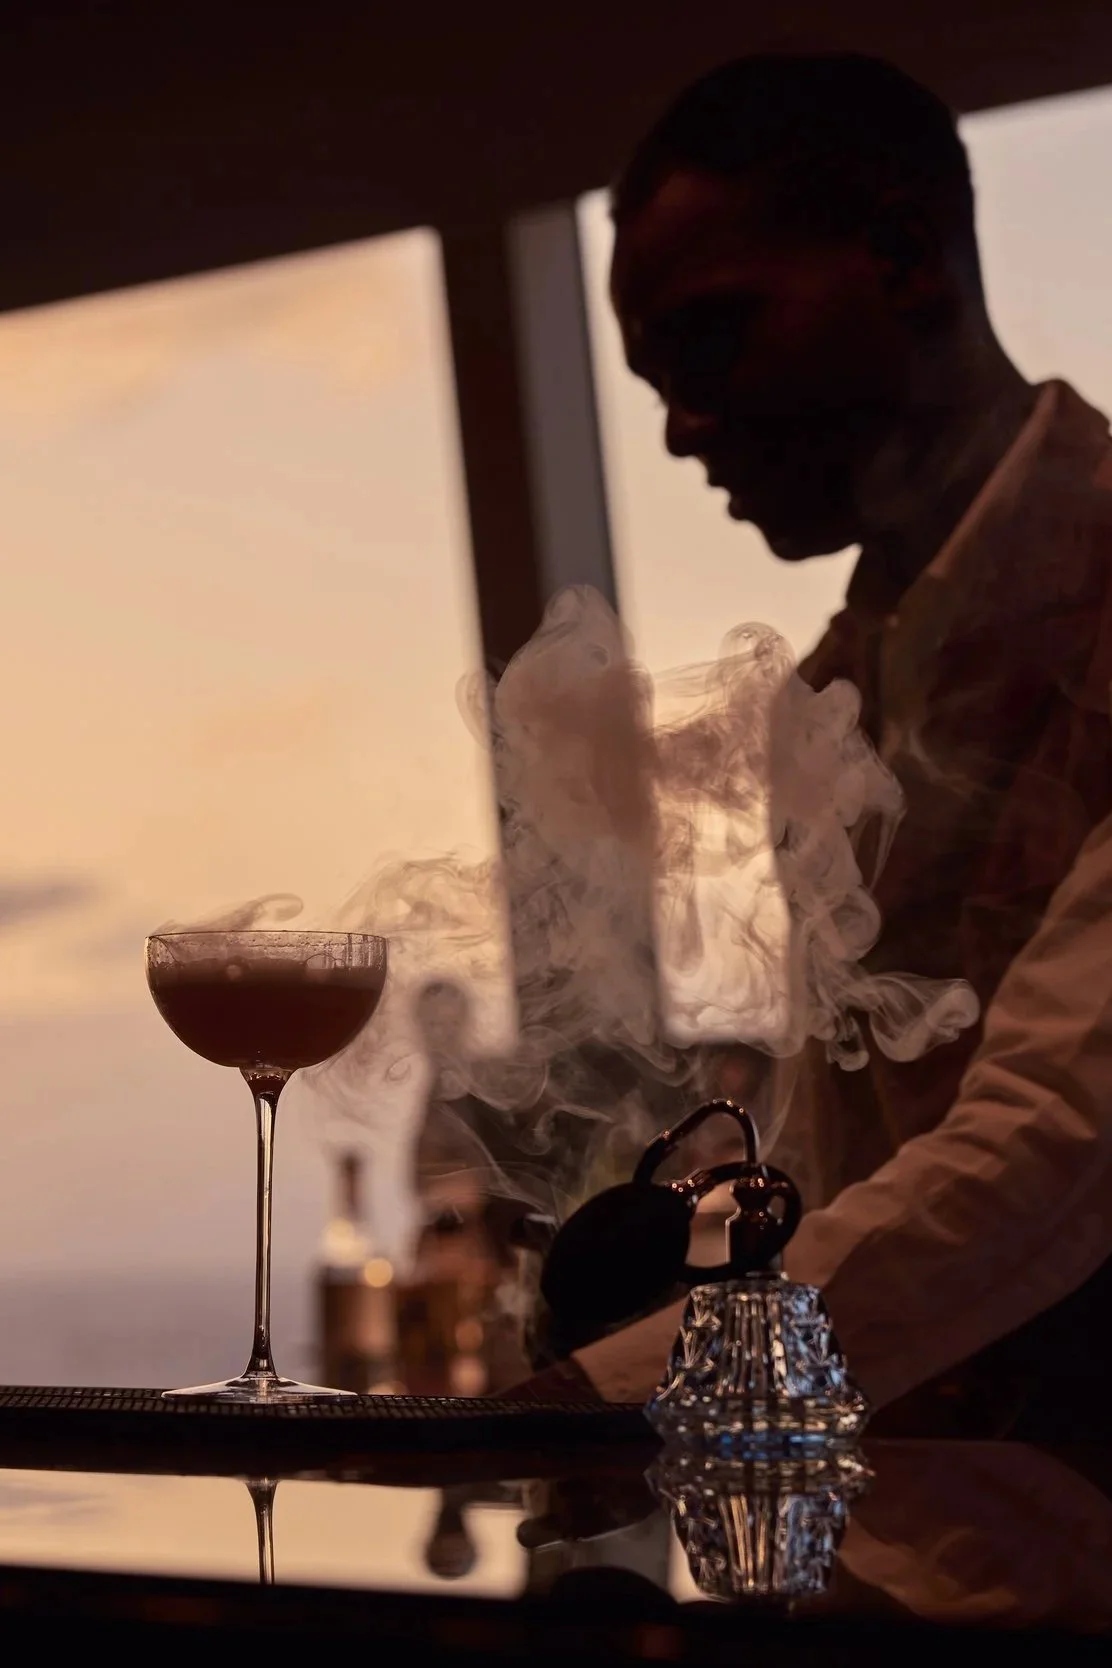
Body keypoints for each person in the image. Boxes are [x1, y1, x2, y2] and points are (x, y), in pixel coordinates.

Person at [515, 53, 1112, 1434]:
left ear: (905, 255)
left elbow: (1058, 1137)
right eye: (656, 380)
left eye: (713, 339)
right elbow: (865, 1165)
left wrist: (606, 1397)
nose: (679, 431)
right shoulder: (834, 692)